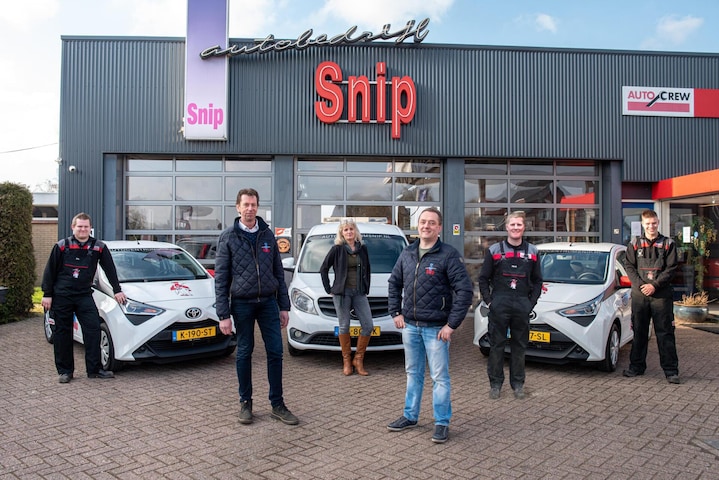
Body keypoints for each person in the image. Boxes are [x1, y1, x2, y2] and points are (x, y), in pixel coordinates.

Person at [386, 207, 473, 444]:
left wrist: (451, 325)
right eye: (423, 222)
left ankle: (442, 422)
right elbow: (394, 283)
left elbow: (465, 291)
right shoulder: (407, 253)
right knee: (413, 373)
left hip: (436, 329)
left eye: (431, 223)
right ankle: (410, 416)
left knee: (439, 377)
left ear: (439, 228)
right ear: (418, 225)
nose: (426, 226)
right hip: (410, 327)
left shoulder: (448, 255)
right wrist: (395, 312)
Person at [214, 188, 299, 425]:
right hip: (242, 303)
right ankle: (245, 403)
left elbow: (278, 272)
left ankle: (277, 404)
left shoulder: (267, 234)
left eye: (253, 205)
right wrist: (223, 314)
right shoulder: (228, 237)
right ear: (238, 207)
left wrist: (284, 306)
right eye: (246, 205)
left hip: (268, 302)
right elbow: (221, 279)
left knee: (276, 352)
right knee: (244, 352)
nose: (250, 209)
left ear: (257, 207)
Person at [41, 212, 127, 383]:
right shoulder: (61, 246)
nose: (83, 229)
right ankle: (65, 372)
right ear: (73, 227)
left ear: (90, 228)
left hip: (84, 295)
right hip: (62, 296)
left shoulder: (98, 247)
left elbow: (110, 269)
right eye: (79, 226)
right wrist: (47, 294)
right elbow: (50, 271)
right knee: (62, 333)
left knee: (93, 330)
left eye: (86, 227)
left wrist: (117, 290)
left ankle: (94, 370)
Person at [478, 211, 542, 400]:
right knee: (496, 346)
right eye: (512, 224)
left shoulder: (533, 252)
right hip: (500, 304)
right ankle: (495, 384)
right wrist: (490, 302)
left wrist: (530, 304)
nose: (515, 228)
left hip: (522, 304)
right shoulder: (494, 250)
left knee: (519, 347)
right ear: (506, 227)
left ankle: (518, 384)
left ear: (524, 227)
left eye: (519, 225)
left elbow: (538, 281)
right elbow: (483, 279)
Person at [623, 209, 680, 384]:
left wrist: (654, 285)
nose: (651, 226)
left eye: (654, 223)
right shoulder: (634, 244)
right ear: (642, 224)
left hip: (661, 296)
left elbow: (671, 269)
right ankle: (636, 367)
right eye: (647, 223)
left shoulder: (669, 244)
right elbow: (629, 266)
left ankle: (671, 371)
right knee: (639, 332)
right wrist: (642, 285)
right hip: (640, 296)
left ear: (658, 222)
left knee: (665, 333)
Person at [320, 219, 373, 376]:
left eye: (351, 229)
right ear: (342, 233)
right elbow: (324, 268)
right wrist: (329, 289)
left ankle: (358, 359)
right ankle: (347, 361)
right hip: (342, 293)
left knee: (368, 325)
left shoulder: (362, 249)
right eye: (346, 230)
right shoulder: (337, 249)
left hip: (359, 292)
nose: (349, 232)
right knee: (344, 326)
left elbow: (367, 269)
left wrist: (366, 287)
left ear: (355, 231)